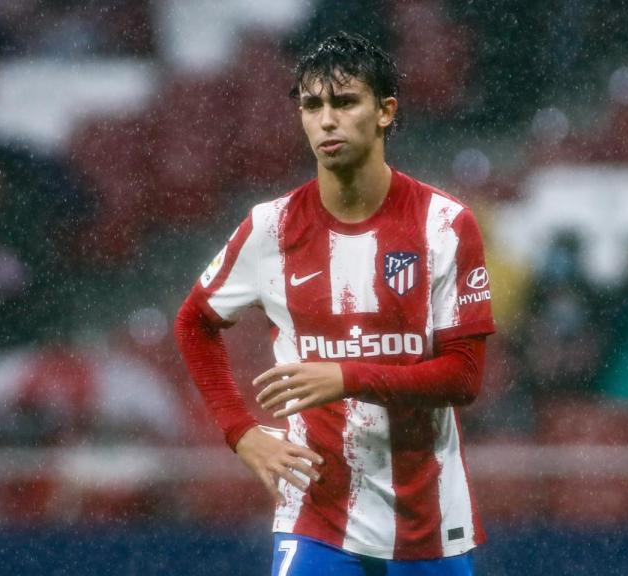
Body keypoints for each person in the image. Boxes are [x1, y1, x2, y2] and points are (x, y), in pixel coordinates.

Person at [174, 33, 495, 575]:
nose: (326, 120)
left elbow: (463, 378)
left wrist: (346, 377)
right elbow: (193, 324)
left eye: (345, 102)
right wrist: (242, 433)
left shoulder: (444, 225)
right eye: (312, 105)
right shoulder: (270, 227)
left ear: (385, 111)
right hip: (316, 517)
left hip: (428, 521)